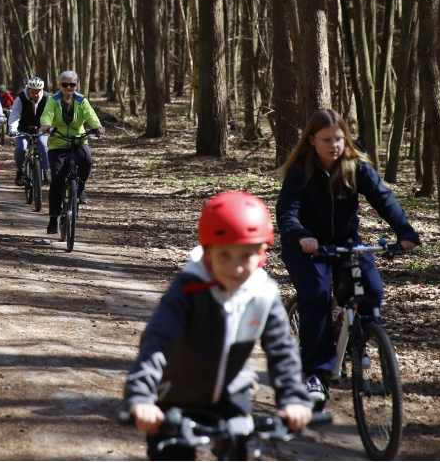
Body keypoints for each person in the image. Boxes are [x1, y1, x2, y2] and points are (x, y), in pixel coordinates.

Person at [124, 192, 313, 460]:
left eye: (245, 255)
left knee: (241, 447)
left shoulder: (263, 294)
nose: (235, 268)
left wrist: (293, 397)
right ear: (207, 250)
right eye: (224, 255)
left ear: (262, 253)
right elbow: (157, 342)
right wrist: (141, 396)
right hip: (175, 395)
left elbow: (282, 350)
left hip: (229, 392)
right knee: (172, 453)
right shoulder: (188, 289)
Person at [276, 108, 421, 409]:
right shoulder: (300, 169)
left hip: (345, 242)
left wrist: (404, 231)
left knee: (373, 291)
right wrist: (302, 234)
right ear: (312, 139)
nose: (334, 145)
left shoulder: (356, 166)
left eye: (339, 138)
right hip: (305, 246)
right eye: (327, 139)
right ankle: (316, 374)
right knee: (316, 297)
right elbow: (286, 212)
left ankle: (356, 337)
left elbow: (383, 198)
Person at [40, 70, 104, 235]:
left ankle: (80, 188)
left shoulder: (82, 100)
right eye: (65, 84)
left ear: (77, 85)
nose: (69, 87)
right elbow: (47, 115)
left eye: (72, 84)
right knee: (58, 179)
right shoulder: (53, 101)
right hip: (58, 142)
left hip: (78, 140)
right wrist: (46, 126)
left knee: (87, 160)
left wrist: (97, 126)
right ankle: (54, 218)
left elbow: (91, 115)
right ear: (59, 85)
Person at [8, 77, 49, 186]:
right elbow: (15, 115)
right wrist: (13, 129)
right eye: (32, 92)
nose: (35, 94)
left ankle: (44, 173)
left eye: (38, 92)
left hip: (41, 127)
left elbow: (51, 116)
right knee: (21, 147)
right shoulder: (20, 98)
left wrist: (51, 128)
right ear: (28, 89)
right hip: (22, 128)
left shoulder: (47, 98)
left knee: (43, 147)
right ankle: (20, 171)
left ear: (42, 90)